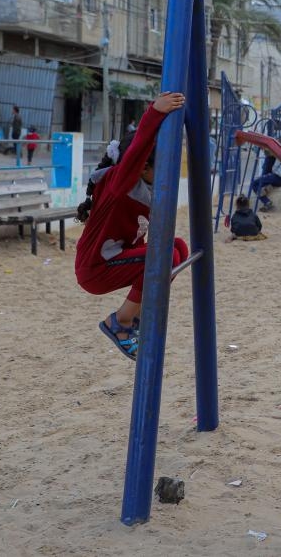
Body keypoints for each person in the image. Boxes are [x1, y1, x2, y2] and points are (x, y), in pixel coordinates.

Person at [74, 92, 189, 360]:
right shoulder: (119, 184)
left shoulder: (145, 190)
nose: (165, 173)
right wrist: (154, 113)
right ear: (142, 168)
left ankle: (135, 316)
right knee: (165, 255)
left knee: (179, 248)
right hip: (96, 267)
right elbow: (138, 150)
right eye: (159, 167)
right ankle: (121, 321)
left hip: (114, 260)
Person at [252, 133, 281, 212]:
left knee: (254, 184)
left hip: (278, 177)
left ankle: (267, 202)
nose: (280, 142)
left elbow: (272, 161)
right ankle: (267, 190)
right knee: (266, 182)